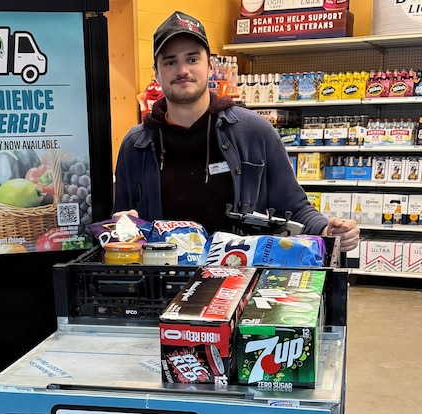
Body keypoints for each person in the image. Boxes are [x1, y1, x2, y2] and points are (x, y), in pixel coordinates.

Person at [113, 10, 359, 253]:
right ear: (156, 72)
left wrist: (328, 230)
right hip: (161, 285)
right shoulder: (137, 144)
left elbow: (293, 207)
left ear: (209, 65)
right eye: (170, 62)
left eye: (192, 59)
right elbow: (122, 221)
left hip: (239, 280)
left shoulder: (255, 132)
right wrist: (123, 224)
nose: (182, 70)